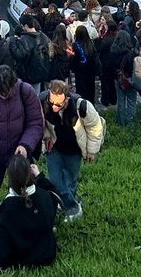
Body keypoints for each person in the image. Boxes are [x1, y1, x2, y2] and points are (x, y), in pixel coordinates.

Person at [0, 64, 44, 231]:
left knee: (29, 188)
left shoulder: (25, 91)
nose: (5, 96)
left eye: (8, 92)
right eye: (0, 93)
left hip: (20, 153)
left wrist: (25, 145)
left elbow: (36, 123)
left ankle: (35, 219)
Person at [0, 154, 61, 274]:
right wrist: (40, 176)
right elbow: (54, 193)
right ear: (30, 173)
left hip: (19, 258)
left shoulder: (7, 209)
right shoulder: (45, 197)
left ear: (10, 178)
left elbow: (2, 246)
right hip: (46, 254)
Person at [39, 79, 104, 221]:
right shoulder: (43, 101)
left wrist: (91, 151)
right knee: (55, 180)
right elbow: (38, 121)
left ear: (67, 99)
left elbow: (95, 127)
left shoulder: (81, 105)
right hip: (54, 147)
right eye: (52, 102)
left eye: (59, 104)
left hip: (74, 149)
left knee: (71, 180)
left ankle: (65, 205)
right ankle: (72, 206)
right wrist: (47, 135)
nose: (54, 107)